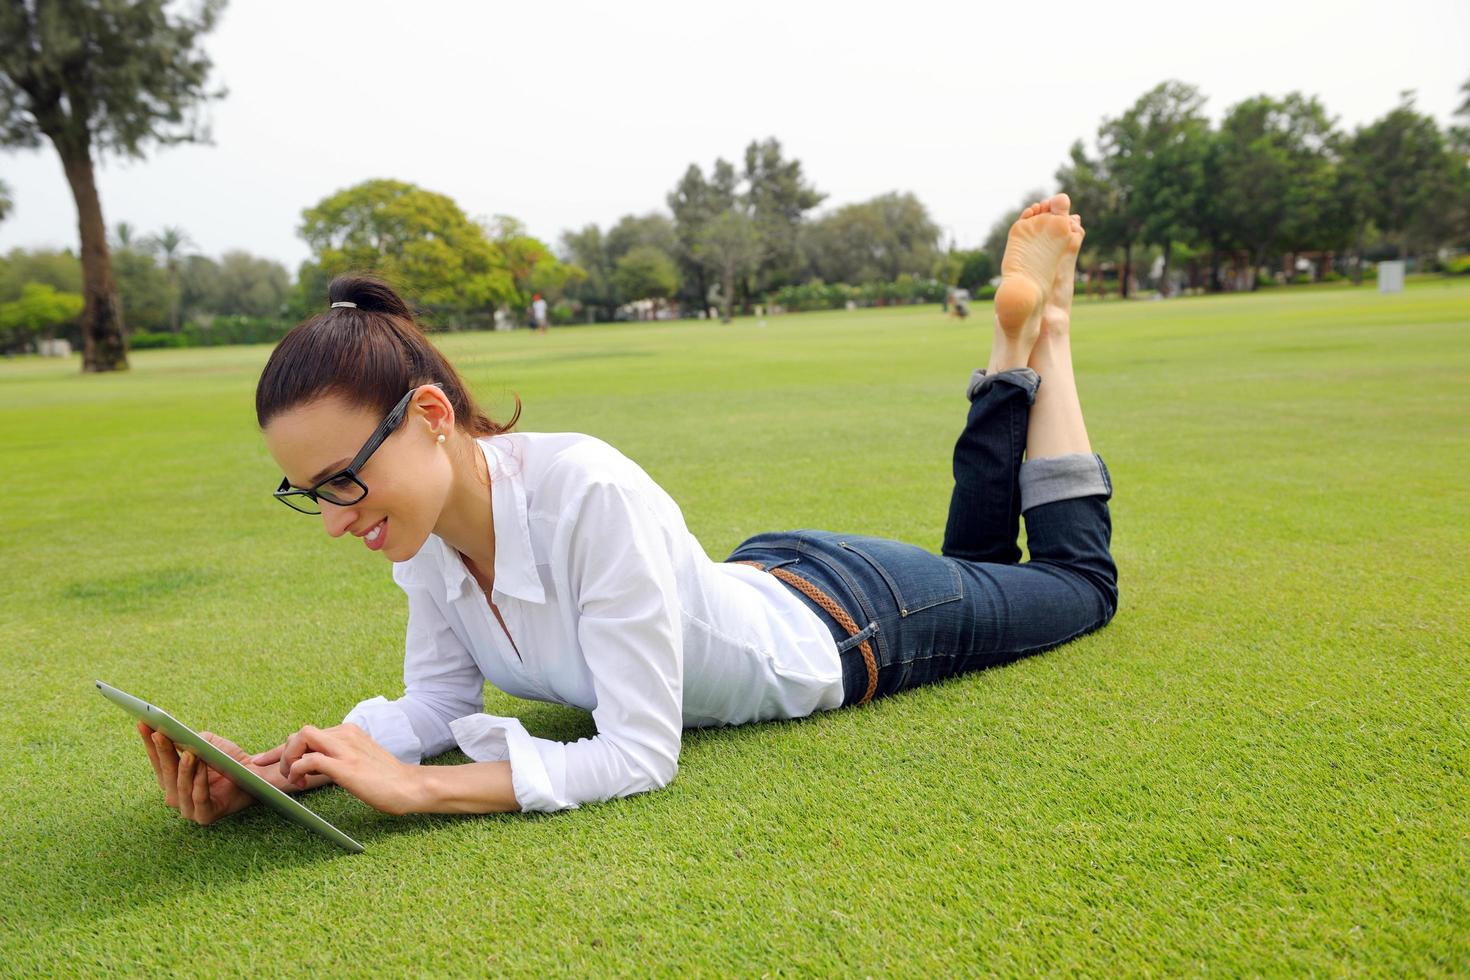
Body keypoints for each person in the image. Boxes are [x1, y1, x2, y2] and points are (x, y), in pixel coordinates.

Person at [138, 192, 1116, 824]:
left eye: (343, 480)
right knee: (985, 563)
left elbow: (641, 752)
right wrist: (279, 769)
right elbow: (439, 702)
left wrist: (422, 787)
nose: (338, 520)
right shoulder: (423, 537)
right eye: (311, 496)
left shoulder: (584, 491)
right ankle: (1012, 353)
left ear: (430, 415)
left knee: (1072, 583)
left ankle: (1049, 335)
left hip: (853, 622)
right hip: (753, 574)